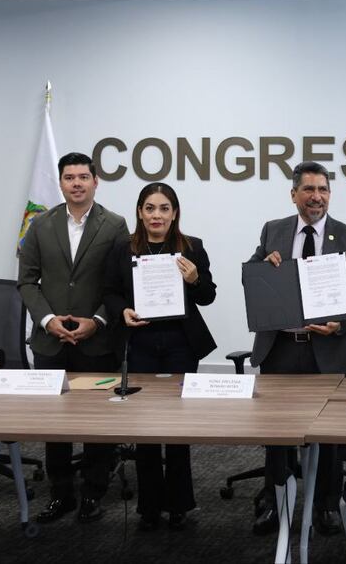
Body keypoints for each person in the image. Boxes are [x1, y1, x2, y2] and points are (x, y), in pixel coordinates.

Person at [246, 161, 346, 536]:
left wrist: (342, 321)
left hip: (328, 350)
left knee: (331, 435)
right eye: (308, 189)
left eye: (323, 190)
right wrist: (263, 264)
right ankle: (274, 502)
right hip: (281, 348)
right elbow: (252, 275)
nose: (316, 196)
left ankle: (326, 505)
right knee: (276, 435)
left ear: (329, 195)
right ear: (294, 194)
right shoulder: (274, 230)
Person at [17, 152, 129, 524]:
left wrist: (97, 320)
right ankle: (60, 494)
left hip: (95, 339)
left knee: (98, 423)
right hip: (51, 341)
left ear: (97, 181)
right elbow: (26, 281)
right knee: (55, 423)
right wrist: (47, 319)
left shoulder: (114, 225)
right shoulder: (40, 225)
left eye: (84, 177)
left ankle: (94, 493)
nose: (76, 183)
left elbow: (118, 284)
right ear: (62, 183)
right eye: (69, 177)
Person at [103, 182, 217, 531]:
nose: (157, 215)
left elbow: (208, 296)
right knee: (147, 429)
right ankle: (149, 505)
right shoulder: (123, 249)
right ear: (140, 212)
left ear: (174, 213)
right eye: (150, 208)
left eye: (164, 208)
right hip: (141, 344)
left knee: (178, 429)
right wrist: (122, 311)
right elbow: (109, 292)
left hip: (182, 344)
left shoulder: (191, 247)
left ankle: (180, 503)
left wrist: (195, 278)